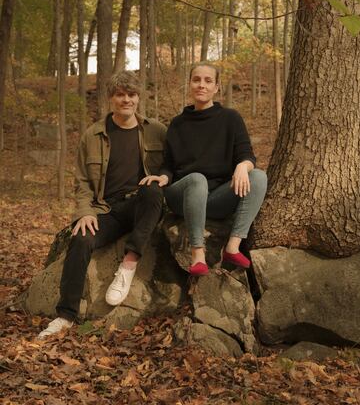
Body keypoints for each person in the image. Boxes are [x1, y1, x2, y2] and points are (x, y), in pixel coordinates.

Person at [38, 71, 166, 338]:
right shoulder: (93, 135)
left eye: (131, 95)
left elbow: (172, 167)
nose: (126, 100)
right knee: (82, 238)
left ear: (138, 98)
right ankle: (65, 315)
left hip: (141, 205)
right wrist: (84, 212)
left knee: (153, 191)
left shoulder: (156, 131)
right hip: (105, 210)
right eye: (120, 95)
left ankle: (129, 264)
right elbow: (82, 181)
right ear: (111, 99)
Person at [140, 63, 267, 276]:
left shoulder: (230, 119)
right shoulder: (177, 124)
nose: (202, 85)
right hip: (183, 196)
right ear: (190, 84)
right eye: (196, 80)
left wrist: (243, 166)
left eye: (208, 81)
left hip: (217, 198)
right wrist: (163, 177)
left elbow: (247, 154)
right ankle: (198, 253)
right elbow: (169, 165)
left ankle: (233, 247)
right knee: (197, 179)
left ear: (217, 87)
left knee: (259, 176)